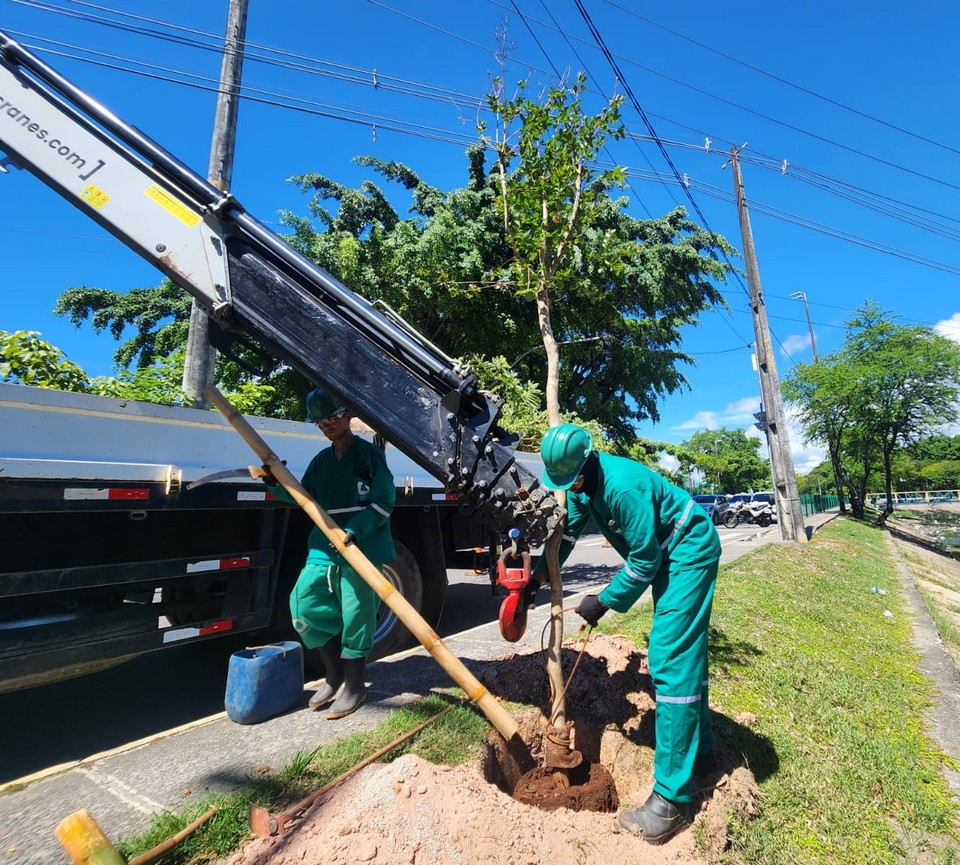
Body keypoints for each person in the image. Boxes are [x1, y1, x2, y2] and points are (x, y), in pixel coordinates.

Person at [530, 422, 721, 845]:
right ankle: (703, 756)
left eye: (571, 478)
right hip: (667, 554)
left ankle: (671, 802)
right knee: (683, 660)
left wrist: (604, 600)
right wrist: (539, 574)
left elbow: (644, 560)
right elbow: (568, 536)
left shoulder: (622, 488)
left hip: (687, 550)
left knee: (671, 658)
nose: (569, 487)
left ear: (586, 464)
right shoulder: (584, 489)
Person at [263, 388, 396, 720]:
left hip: (361, 546)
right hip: (323, 545)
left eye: (333, 418)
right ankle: (333, 674)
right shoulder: (321, 461)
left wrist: (354, 529)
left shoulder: (369, 456)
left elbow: (384, 500)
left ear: (348, 417)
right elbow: (302, 496)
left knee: (356, 613)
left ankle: (354, 685)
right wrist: (274, 481)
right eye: (321, 422)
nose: (328, 426)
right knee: (304, 602)